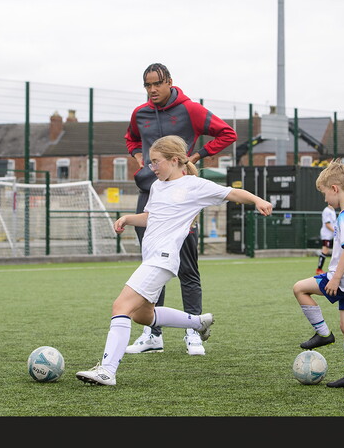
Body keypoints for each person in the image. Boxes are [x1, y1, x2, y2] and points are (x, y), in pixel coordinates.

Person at [75, 135, 272, 386]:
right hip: (152, 259)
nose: (152, 168)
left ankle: (107, 370)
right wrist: (127, 218)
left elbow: (234, 193)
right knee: (142, 316)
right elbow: (151, 217)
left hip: (162, 259)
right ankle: (198, 322)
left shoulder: (194, 185)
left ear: (175, 160)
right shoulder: (157, 187)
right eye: (150, 163)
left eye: (156, 162)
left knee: (120, 307)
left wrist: (257, 200)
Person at [122, 63, 238, 356]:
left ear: (169, 82)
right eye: (147, 86)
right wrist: (138, 158)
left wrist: (193, 158)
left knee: (187, 266)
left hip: (183, 199)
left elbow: (227, 134)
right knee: (151, 265)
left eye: (156, 85)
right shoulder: (140, 113)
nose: (151, 91)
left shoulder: (191, 110)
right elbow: (131, 138)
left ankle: (193, 332)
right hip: (149, 194)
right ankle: (152, 335)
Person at [291, 159, 344, 389]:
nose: (325, 199)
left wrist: (334, 278)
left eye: (325, 193)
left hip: (341, 278)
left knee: (299, 288)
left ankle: (323, 333)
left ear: (335, 189)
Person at [315, 204, 336, 275]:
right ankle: (319, 269)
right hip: (326, 234)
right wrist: (335, 231)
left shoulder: (333, 210)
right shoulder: (326, 211)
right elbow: (327, 224)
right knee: (325, 250)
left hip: (331, 234)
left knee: (327, 251)